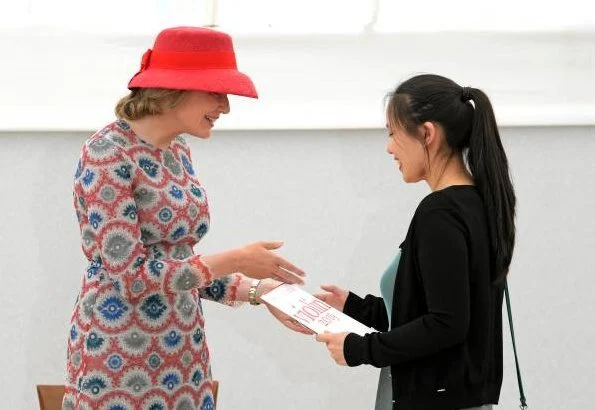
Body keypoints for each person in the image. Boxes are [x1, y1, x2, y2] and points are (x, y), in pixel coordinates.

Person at [62, 26, 309, 410]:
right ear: (173, 89)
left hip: (183, 352)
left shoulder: (177, 149)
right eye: (216, 92)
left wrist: (260, 291)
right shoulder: (107, 154)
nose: (225, 106)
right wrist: (238, 259)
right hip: (118, 356)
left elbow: (181, 265)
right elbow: (131, 277)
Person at [315, 74, 516, 410]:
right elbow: (428, 309)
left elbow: (446, 324)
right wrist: (353, 305)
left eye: (393, 133)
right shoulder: (478, 203)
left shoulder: (440, 212)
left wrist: (359, 349)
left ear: (427, 134)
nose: (389, 146)